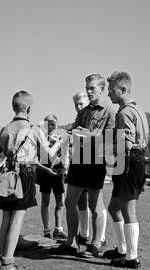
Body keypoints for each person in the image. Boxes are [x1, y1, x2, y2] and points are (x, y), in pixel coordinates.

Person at [0, 90, 66, 270]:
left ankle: (5, 261)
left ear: (13, 107)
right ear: (29, 108)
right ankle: (8, 264)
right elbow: (49, 155)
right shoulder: (34, 130)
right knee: (17, 220)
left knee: (6, 220)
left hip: (8, 175)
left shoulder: (3, 129)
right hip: (25, 176)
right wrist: (60, 142)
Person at [50, 74, 115, 257]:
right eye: (87, 88)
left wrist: (90, 136)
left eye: (92, 88)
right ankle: (70, 243)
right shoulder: (83, 111)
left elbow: (111, 141)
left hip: (96, 162)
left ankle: (95, 243)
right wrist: (64, 135)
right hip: (79, 160)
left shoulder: (110, 112)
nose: (88, 91)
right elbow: (74, 132)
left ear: (101, 89)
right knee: (70, 202)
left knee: (95, 206)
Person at [105, 71, 149, 268]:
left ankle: (131, 257)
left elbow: (127, 144)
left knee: (128, 210)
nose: (108, 94)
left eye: (111, 90)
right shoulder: (138, 110)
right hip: (137, 160)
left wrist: (104, 147)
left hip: (128, 160)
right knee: (114, 208)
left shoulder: (124, 113)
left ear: (123, 90)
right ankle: (123, 249)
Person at [35, 114, 68, 240]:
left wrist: (64, 167)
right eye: (47, 123)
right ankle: (46, 230)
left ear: (57, 124)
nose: (50, 125)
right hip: (45, 172)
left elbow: (65, 155)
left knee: (60, 202)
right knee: (45, 201)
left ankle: (58, 229)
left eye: (52, 123)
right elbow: (37, 156)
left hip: (58, 172)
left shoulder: (62, 137)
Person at [72, 92, 91, 245]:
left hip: (92, 161)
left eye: (81, 104)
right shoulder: (78, 119)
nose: (78, 107)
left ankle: (100, 238)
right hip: (79, 160)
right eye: (76, 104)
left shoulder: (92, 118)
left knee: (96, 203)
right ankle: (83, 233)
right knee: (80, 201)